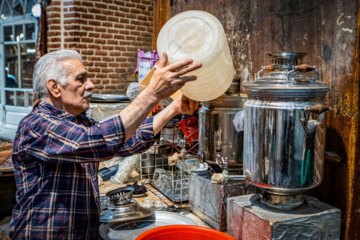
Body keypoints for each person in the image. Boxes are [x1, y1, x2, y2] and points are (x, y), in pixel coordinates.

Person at [9, 49, 201, 239]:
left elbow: (127, 141)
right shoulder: (36, 125)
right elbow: (98, 141)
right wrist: (152, 93)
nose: (90, 85)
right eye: (81, 79)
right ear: (55, 87)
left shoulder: (79, 123)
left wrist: (174, 108)